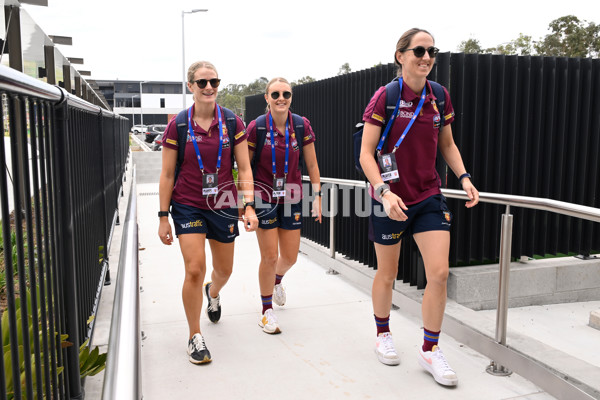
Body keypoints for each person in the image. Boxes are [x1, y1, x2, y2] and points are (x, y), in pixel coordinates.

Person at [359, 29, 479, 386]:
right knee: (387, 273)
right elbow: (366, 153)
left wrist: (464, 177)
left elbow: (448, 143)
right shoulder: (386, 96)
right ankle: (383, 333)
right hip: (390, 198)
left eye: (432, 51)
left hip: (428, 196)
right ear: (401, 56)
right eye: (419, 50)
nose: (426, 57)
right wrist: (382, 190)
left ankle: (429, 348)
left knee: (439, 273)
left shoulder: (439, 96)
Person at [158, 61, 258, 364]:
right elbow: (166, 174)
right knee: (193, 268)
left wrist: (249, 204)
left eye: (214, 81)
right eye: (202, 82)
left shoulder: (231, 122)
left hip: (224, 204)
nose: (209, 87)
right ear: (190, 86)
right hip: (188, 204)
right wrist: (163, 216)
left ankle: (212, 292)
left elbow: (244, 167)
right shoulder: (179, 124)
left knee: (224, 270)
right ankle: (194, 335)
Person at [246, 77, 322, 334]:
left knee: (289, 256)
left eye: (286, 94)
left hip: (292, 196)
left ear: (291, 97)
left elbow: (311, 165)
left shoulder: (300, 125)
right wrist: (247, 203)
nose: (281, 98)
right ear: (267, 98)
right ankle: (266, 311)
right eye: (275, 94)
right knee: (268, 256)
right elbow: (245, 168)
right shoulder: (256, 127)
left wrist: (318, 195)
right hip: (264, 197)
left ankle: (277, 280)